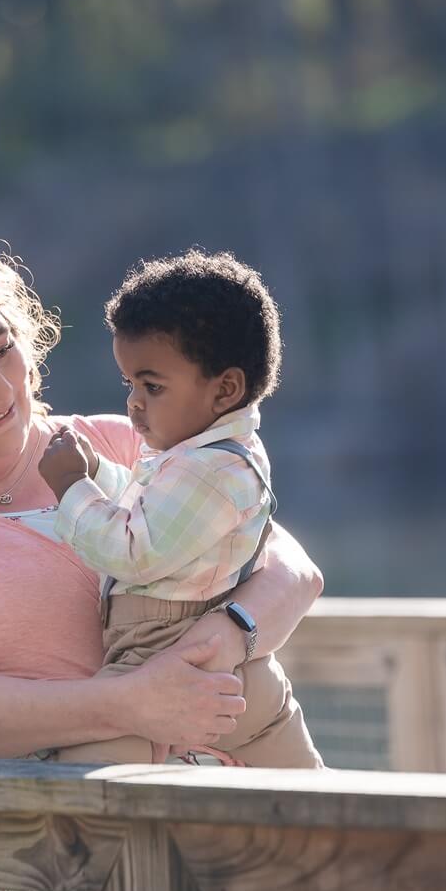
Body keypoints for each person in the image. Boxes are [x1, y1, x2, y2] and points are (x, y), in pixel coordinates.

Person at [0, 229, 325, 760]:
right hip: (45, 839)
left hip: (243, 798)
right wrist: (127, 705)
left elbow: (290, 567)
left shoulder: (118, 442)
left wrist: (232, 634)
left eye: (2, 350)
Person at [39, 250, 323, 770]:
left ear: (226, 389)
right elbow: (152, 512)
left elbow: (134, 551)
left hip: (164, 656)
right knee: (311, 804)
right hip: (233, 677)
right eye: (129, 385)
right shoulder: (203, 458)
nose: (133, 404)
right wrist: (100, 473)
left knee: (84, 766)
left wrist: (72, 489)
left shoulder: (210, 472)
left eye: (153, 386)